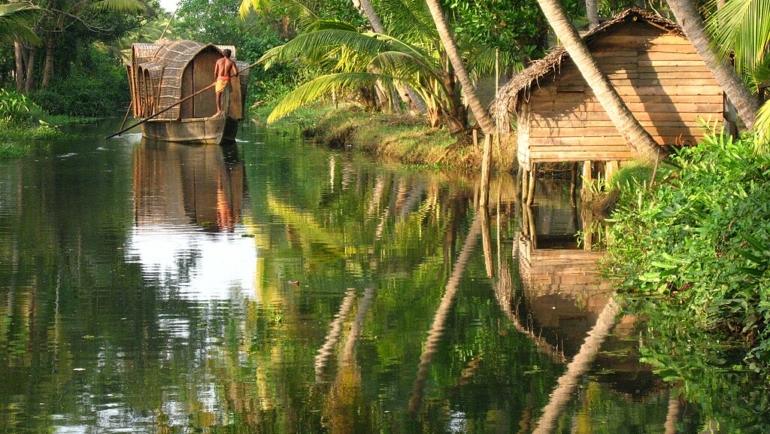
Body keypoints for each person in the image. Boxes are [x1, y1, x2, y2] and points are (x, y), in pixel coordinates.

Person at [214, 49, 238, 116]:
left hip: (220, 79)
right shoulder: (231, 62)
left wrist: (215, 81)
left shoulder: (218, 61)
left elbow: (215, 72)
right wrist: (234, 75)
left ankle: (219, 110)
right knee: (227, 96)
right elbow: (236, 73)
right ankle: (226, 111)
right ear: (230, 55)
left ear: (223, 54)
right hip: (227, 80)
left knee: (218, 96)